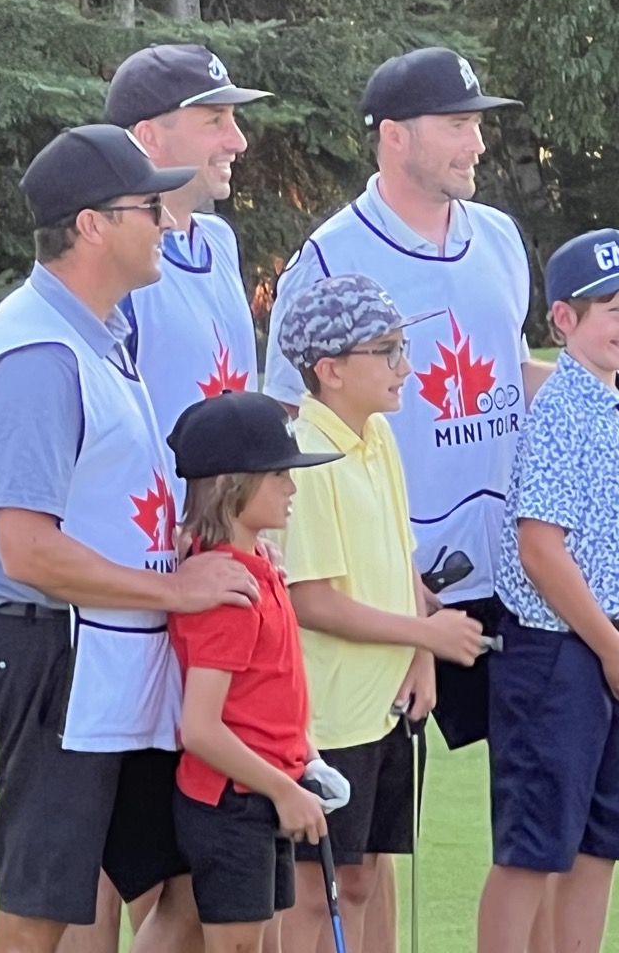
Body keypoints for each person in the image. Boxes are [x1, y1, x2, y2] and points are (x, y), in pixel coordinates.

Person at [0, 123, 261, 953]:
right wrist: (175, 589)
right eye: (148, 207)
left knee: (189, 884)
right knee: (39, 913)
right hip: (55, 654)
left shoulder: (95, 335)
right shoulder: (38, 353)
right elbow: (26, 549)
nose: (168, 222)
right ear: (91, 225)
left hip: (112, 651)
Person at [265, 46, 619, 752]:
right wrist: (393, 587)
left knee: (535, 793)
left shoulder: (500, 236)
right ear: (395, 136)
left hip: (516, 571)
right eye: (456, 125)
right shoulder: (330, 258)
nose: (476, 143)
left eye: (477, 125)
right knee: (384, 807)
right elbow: (295, 423)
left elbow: (509, 372)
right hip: (399, 582)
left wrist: (608, 374)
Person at [476, 230, 619, 953]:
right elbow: (541, 551)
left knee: (601, 843)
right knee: (534, 848)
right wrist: (613, 652)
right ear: (564, 319)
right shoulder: (561, 410)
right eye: (614, 309)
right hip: (554, 656)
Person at [273, 274, 488, 953]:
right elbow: (310, 599)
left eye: (403, 348)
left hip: (385, 703)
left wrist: (421, 656)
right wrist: (426, 633)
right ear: (331, 369)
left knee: (363, 877)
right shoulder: (306, 456)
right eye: (387, 351)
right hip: (328, 713)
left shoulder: (378, 437)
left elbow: (402, 563)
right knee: (317, 891)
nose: (406, 367)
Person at [164, 391, 349, 953]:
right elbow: (201, 728)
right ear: (231, 484)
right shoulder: (226, 591)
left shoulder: (260, 568)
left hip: (264, 789)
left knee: (263, 942)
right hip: (233, 799)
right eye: (278, 475)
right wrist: (284, 791)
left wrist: (307, 760)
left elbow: (272, 692)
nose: (292, 488)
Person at [107, 42, 271, 432]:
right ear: (148, 137)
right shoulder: (113, 261)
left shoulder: (219, 240)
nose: (239, 141)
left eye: (232, 119)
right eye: (215, 121)